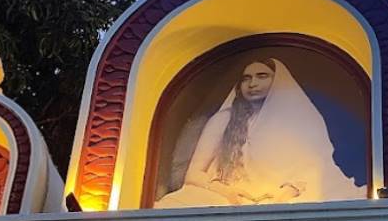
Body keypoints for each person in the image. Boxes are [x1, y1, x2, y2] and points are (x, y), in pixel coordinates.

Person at [156, 58, 364, 208]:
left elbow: (314, 169)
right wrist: (227, 192)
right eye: (246, 78)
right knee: (169, 207)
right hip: (225, 197)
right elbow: (193, 174)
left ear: (278, 81)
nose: (252, 83)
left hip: (285, 197)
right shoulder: (223, 119)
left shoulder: (299, 120)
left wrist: (284, 194)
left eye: (261, 76)